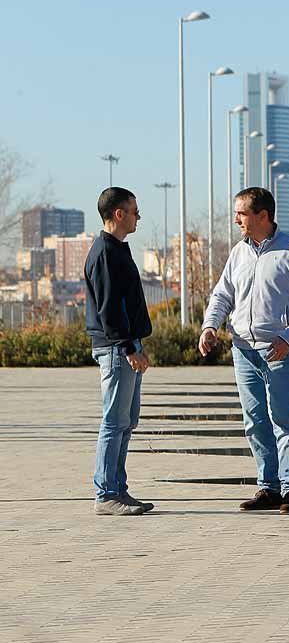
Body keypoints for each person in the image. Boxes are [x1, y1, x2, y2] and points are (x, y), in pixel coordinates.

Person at [199, 187, 289, 513]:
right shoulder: (239, 252)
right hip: (242, 350)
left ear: (262, 216)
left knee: (283, 420)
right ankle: (267, 487)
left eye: (241, 213)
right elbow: (222, 295)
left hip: (279, 350)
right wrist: (210, 326)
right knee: (254, 422)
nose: (236, 219)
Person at [84, 187, 154, 515]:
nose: (138, 216)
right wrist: (128, 347)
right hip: (116, 349)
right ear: (118, 214)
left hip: (127, 346)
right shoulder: (104, 253)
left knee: (126, 422)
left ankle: (118, 489)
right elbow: (109, 310)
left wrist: (136, 343)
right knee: (114, 422)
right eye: (134, 211)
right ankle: (106, 493)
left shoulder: (118, 249)